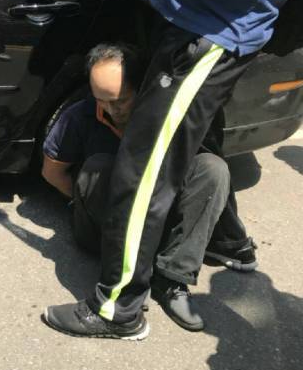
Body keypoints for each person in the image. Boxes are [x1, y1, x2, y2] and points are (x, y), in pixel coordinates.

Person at [44, 0, 303, 340]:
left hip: (210, 35)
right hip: (173, 12)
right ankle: (228, 245)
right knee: (187, 146)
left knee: (144, 168)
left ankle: (118, 308)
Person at [43, 43, 247, 331]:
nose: (110, 109)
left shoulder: (168, 114)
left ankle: (172, 277)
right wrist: (82, 197)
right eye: (102, 100)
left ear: (141, 89)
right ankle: (124, 276)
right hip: (103, 230)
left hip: (154, 223)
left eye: (120, 101)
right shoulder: (79, 115)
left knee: (212, 168)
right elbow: (52, 172)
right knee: (100, 166)